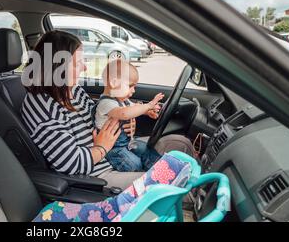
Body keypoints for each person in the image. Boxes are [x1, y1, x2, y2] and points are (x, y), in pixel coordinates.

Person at [21, 30, 194, 190]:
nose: (85, 68)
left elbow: (99, 115)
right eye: (78, 63)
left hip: (115, 152)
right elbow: (70, 164)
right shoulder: (41, 106)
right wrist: (101, 147)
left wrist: (126, 122)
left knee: (179, 144)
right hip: (99, 174)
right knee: (172, 181)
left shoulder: (71, 89)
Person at [93, 59, 165, 172]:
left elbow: (134, 107)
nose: (133, 91)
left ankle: (163, 170)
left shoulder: (122, 100)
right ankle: (142, 174)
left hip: (127, 143)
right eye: (130, 86)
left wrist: (147, 111)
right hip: (113, 149)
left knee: (146, 149)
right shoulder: (106, 103)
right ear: (114, 83)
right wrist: (149, 105)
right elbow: (124, 113)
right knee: (134, 164)